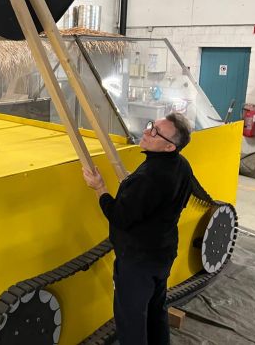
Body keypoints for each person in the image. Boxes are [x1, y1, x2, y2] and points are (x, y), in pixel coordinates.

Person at [82, 113, 193, 345]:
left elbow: (119, 217)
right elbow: (173, 201)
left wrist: (99, 187)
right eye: (152, 125)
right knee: (155, 311)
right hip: (162, 254)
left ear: (169, 146)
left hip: (137, 262)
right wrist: (134, 190)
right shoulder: (181, 165)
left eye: (155, 132)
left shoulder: (149, 177)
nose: (146, 131)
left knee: (131, 321)